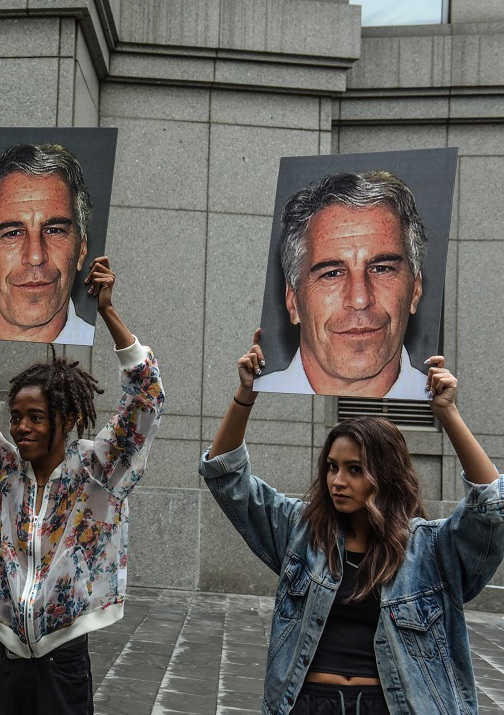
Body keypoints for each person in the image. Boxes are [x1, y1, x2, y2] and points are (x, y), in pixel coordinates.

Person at [201, 330, 504, 713]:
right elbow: (227, 477)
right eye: (332, 467)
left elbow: (491, 506)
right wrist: (246, 394)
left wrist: (447, 413)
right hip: (306, 703)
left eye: (354, 469)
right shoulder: (302, 532)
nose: (337, 481)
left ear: (385, 475)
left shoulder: (430, 550)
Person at [0, 247, 165, 714]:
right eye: (16, 416)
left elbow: (146, 399)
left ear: (65, 419)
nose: (21, 427)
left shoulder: (96, 473)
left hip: (63, 655)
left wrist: (108, 311)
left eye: (36, 417)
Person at [255, 171, 429, 398]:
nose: (360, 299)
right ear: (293, 301)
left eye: (381, 269)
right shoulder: (248, 404)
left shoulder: (449, 409)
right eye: (332, 274)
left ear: (415, 289)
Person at [0, 143, 95, 345]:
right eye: (13, 233)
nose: (35, 256)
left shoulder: (114, 349)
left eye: (54, 231)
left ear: (82, 250)